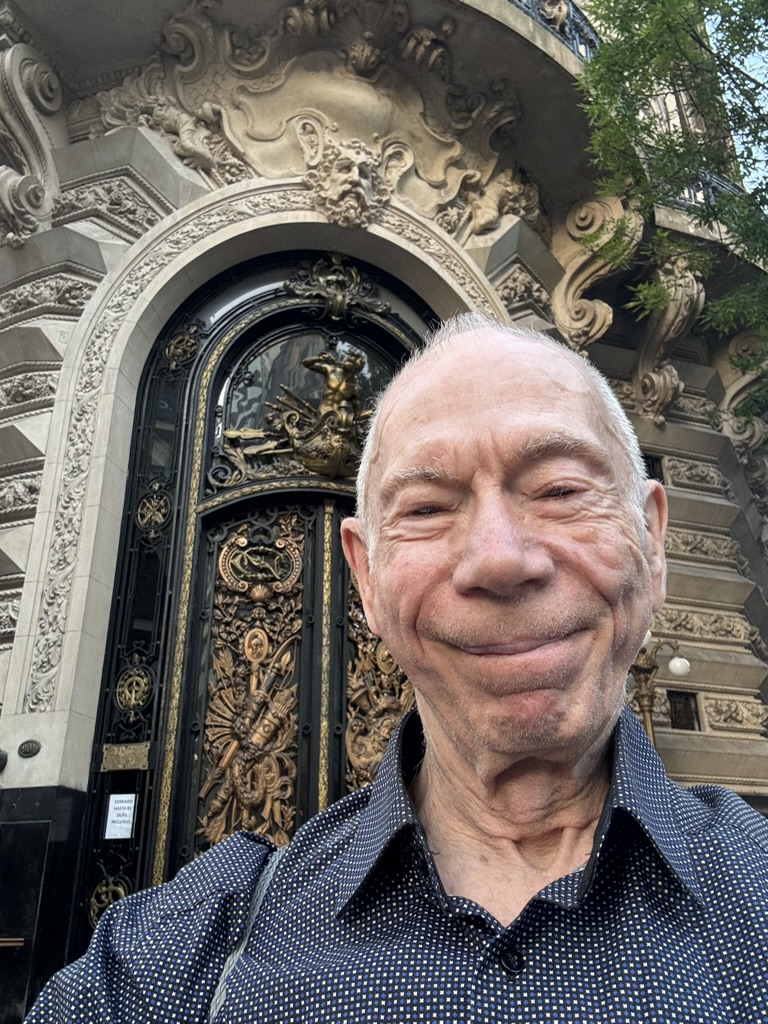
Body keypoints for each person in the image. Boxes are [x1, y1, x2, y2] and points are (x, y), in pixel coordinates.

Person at [26, 313, 768, 1022]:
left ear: (654, 539)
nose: (500, 558)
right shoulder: (181, 961)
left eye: (561, 490)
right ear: (366, 580)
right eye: (426, 508)